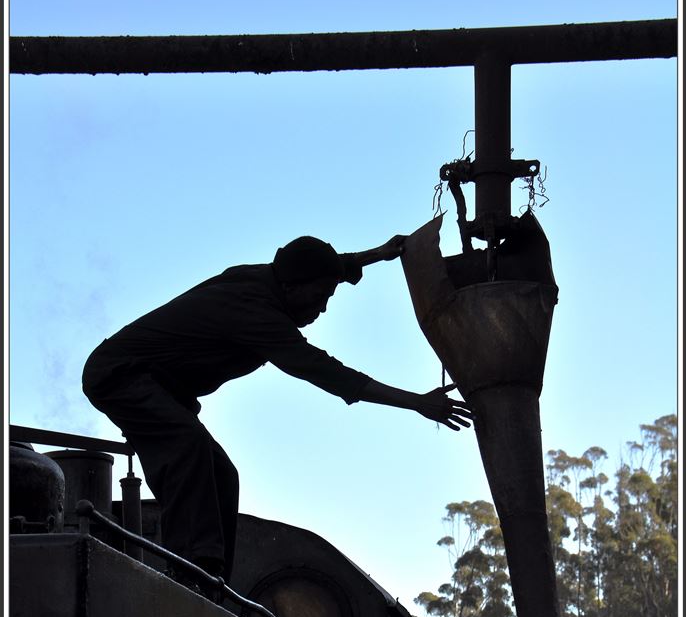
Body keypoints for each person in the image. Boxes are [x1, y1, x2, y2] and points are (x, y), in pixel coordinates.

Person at [82, 234, 472, 586]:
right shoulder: (257, 313)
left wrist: (378, 255)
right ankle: (189, 571)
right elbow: (329, 374)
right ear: (291, 287)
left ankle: (214, 580)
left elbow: (329, 264)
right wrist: (417, 402)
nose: (322, 309)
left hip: (161, 387)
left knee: (223, 475)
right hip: (121, 376)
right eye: (319, 297)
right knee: (187, 447)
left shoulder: (270, 277)